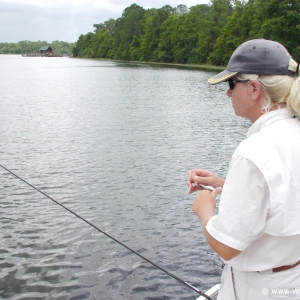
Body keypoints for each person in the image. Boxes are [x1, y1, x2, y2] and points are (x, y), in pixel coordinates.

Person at [187, 39, 300, 299]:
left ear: (253, 89)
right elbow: (283, 199)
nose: (227, 93)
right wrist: (225, 185)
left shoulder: (254, 151)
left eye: (231, 84)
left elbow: (227, 247)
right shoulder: (294, 133)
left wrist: (205, 210)